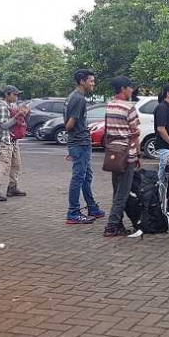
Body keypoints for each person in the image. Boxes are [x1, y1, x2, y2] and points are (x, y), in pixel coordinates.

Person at [103, 76, 141, 237]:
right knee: (123, 192)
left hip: (113, 153)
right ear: (124, 88)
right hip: (127, 154)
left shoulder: (109, 105)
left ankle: (117, 224)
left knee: (117, 189)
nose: (132, 90)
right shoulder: (129, 107)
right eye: (131, 87)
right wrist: (138, 153)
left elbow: (107, 130)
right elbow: (135, 133)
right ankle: (111, 226)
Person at [65, 69, 104, 224]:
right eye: (91, 81)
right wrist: (80, 132)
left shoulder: (73, 96)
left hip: (80, 142)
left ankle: (92, 207)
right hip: (79, 143)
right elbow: (69, 125)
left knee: (86, 177)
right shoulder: (79, 99)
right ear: (82, 81)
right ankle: (73, 212)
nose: (93, 83)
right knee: (78, 178)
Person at [0, 85, 30, 201]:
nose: (16, 97)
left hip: (12, 140)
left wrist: (24, 114)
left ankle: (12, 187)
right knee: (5, 163)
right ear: (7, 94)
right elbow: (4, 125)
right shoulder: (2, 107)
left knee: (16, 164)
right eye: (14, 94)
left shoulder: (10, 105)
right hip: (5, 140)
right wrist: (17, 117)